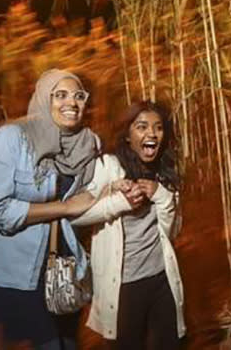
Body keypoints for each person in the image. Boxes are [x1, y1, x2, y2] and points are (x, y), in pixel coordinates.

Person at [0, 69, 99, 349]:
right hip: (10, 277)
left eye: (78, 96)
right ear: (44, 98)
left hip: (61, 273)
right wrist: (64, 207)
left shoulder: (86, 145)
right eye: (60, 95)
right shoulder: (11, 139)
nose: (71, 102)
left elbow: (91, 199)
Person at [72, 101, 186, 349]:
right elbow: (76, 216)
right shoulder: (108, 167)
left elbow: (172, 232)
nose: (151, 134)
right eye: (142, 127)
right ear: (127, 136)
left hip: (161, 279)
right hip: (123, 285)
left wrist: (161, 195)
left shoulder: (165, 170)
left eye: (158, 128)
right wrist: (118, 202)